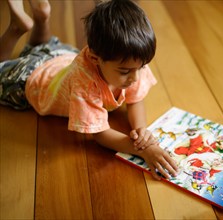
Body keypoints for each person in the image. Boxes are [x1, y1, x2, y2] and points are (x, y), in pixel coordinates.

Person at [0, 0, 178, 180]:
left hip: (62, 57)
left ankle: (41, 18)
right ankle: (16, 29)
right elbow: (100, 134)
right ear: (94, 58)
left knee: (41, 47)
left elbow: (136, 98)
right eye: (125, 72)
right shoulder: (85, 83)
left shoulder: (131, 60)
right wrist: (144, 149)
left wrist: (141, 130)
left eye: (141, 68)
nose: (135, 78)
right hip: (32, 79)